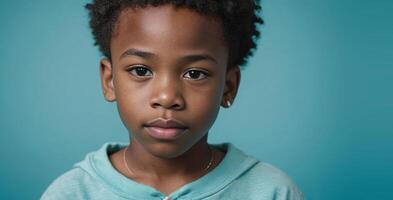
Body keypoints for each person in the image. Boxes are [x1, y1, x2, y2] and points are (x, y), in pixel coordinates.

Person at [41, 0, 304, 199]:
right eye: (141, 71)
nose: (167, 98)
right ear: (109, 81)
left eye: (195, 73)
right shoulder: (72, 193)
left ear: (228, 86)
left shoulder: (273, 192)